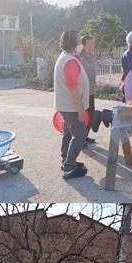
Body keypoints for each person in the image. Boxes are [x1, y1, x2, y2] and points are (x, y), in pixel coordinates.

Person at [53, 29, 91, 179]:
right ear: (72, 42)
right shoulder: (69, 61)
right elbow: (72, 86)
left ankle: (67, 161)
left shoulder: (67, 57)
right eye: (78, 39)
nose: (80, 42)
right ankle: (69, 167)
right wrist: (80, 107)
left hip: (66, 105)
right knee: (80, 134)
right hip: (71, 106)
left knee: (68, 133)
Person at [78, 34, 100, 146]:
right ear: (83, 45)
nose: (92, 46)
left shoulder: (91, 57)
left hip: (91, 91)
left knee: (90, 114)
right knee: (82, 116)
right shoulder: (79, 58)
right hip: (82, 92)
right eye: (90, 44)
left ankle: (85, 136)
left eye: (93, 44)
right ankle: (79, 139)